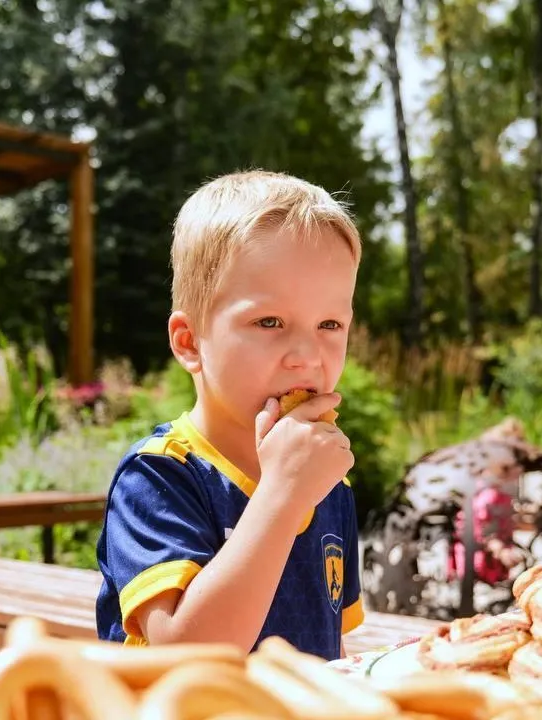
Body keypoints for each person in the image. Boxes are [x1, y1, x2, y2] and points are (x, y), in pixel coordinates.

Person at [94, 170, 364, 660]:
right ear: (190, 342)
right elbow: (188, 652)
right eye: (269, 322)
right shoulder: (158, 478)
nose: (307, 354)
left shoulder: (328, 484)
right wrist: (282, 495)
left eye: (330, 323)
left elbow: (329, 649)